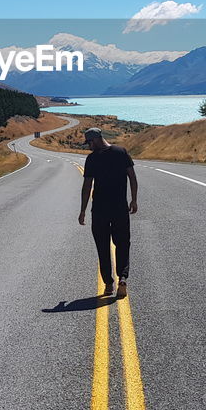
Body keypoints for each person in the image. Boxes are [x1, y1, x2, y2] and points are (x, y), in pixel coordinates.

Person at [77, 127, 138, 298]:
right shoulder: (121, 152)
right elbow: (132, 177)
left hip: (100, 210)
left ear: (95, 140)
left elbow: (87, 186)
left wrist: (82, 210)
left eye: (89, 143)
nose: (88, 146)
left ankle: (109, 284)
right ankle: (123, 278)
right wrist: (133, 199)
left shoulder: (92, 159)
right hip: (120, 208)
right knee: (123, 243)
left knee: (102, 246)